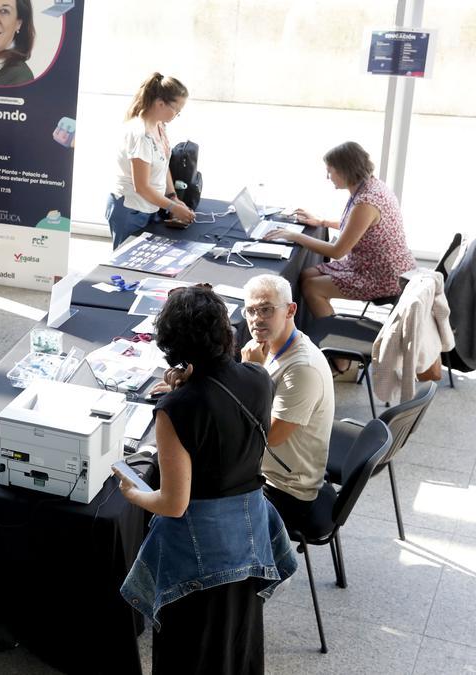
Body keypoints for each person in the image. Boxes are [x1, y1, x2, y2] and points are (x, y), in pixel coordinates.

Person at [114, 284, 297, 674]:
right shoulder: (258, 379)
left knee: (191, 648)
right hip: (249, 534)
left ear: (172, 345)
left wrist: (134, 494)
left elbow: (173, 504)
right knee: (236, 638)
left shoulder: (176, 408)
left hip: (201, 549)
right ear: (224, 331)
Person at [263, 141, 417, 320]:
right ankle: (315, 322)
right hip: (375, 265)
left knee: (311, 287)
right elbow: (357, 227)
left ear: (345, 171)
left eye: (330, 171)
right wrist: (322, 222)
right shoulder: (372, 186)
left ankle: (328, 335)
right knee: (307, 275)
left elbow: (337, 251)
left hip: (383, 275)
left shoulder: (365, 203)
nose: (328, 177)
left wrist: (296, 236)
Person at [240, 275, 335, 528]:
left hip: (284, 490)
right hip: (269, 471)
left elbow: (266, 438)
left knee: (193, 493)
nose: (256, 318)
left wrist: (251, 375)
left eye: (266, 309)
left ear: (290, 310)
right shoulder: (268, 346)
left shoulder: (302, 369)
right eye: (250, 310)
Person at [106, 72, 195, 249]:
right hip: (131, 209)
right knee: (126, 265)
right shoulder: (141, 135)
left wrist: (172, 196)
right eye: (177, 110)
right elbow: (142, 186)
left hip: (149, 207)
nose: (177, 115)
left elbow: (163, 164)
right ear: (160, 103)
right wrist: (173, 207)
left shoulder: (159, 126)